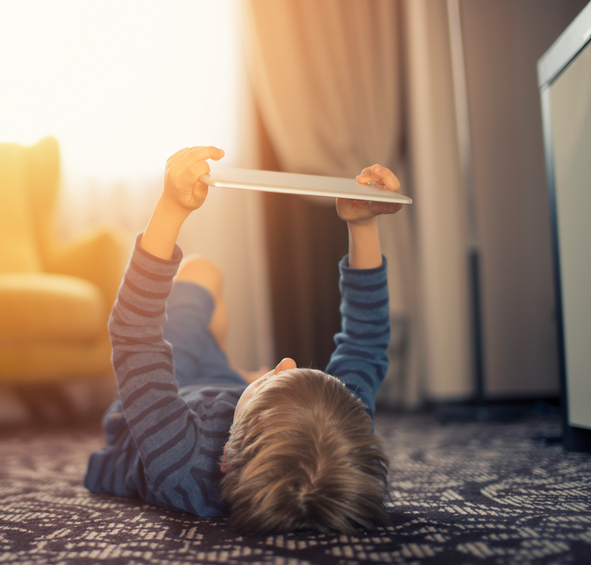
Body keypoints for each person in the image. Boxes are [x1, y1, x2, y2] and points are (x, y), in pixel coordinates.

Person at [85, 146, 403, 534]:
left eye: (277, 376)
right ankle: (237, 372)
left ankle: (230, 365)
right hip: (225, 396)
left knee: (203, 273)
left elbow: (135, 334)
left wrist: (170, 208)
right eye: (304, 373)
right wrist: (363, 224)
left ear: (223, 460)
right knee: (216, 324)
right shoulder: (341, 431)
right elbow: (364, 343)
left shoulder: (176, 458)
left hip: (164, 399)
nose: (286, 361)